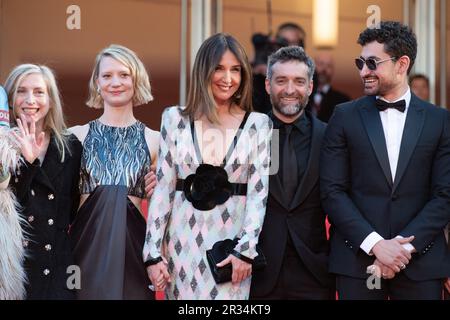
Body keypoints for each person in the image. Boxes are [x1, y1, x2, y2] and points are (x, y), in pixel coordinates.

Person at [320, 21, 450, 299]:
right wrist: (377, 245)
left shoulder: (440, 121)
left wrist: (401, 250)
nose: (363, 71)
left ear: (401, 64)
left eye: (372, 63)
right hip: (358, 262)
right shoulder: (343, 116)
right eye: (360, 63)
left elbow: (445, 195)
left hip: (421, 263)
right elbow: (332, 191)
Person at [143, 33, 272, 300]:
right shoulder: (174, 118)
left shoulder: (258, 124)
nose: (228, 78)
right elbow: (165, 188)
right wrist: (153, 253)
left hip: (229, 252)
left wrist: (245, 251)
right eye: (219, 68)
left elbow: (259, 194)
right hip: (181, 245)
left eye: (236, 70)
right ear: (203, 71)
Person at [69, 44, 159, 300]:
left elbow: (167, 206)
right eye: (107, 76)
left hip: (132, 254)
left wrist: (157, 192)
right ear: (97, 83)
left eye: (124, 74)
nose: (115, 82)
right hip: (83, 254)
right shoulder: (76, 136)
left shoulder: (155, 140)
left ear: (136, 80)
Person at [249, 46, 334, 300]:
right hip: (257, 273)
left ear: (310, 87)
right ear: (267, 85)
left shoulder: (330, 137)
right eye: (281, 81)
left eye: (298, 81)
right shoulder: (247, 136)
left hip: (315, 274)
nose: (289, 90)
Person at [3, 64, 82, 299]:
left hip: (58, 265)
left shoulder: (70, 146)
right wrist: (27, 163)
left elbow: (76, 208)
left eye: (39, 92)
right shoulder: (1, 146)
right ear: (10, 98)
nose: (30, 100)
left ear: (51, 99)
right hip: (12, 265)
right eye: (21, 91)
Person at [309, 52, 350, 122]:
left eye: (329, 66)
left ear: (333, 70)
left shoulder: (343, 101)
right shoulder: (303, 95)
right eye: (321, 64)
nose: (324, 69)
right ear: (312, 67)